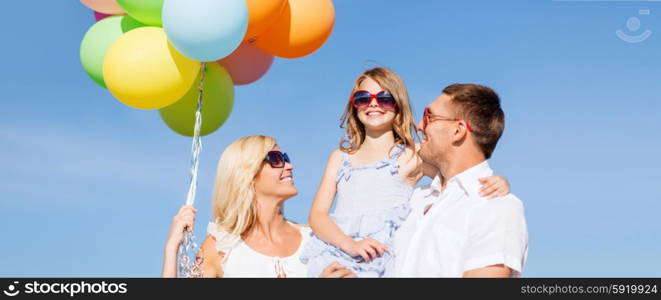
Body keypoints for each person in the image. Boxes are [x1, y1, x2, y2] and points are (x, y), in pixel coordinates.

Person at [300, 68, 511, 277]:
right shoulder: (340, 157)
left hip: (383, 257)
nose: (373, 103)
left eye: (384, 98)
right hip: (339, 251)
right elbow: (317, 215)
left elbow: (457, 176)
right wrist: (350, 245)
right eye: (363, 98)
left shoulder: (414, 154)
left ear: (398, 105)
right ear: (354, 106)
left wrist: (497, 181)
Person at [161, 135, 356, 278]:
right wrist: (172, 248)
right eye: (276, 160)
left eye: (286, 158)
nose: (290, 166)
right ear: (247, 174)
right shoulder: (221, 245)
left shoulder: (314, 239)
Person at [394, 83, 529, 277]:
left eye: (428, 117)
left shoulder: (496, 207)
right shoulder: (415, 198)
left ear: (458, 130)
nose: (419, 125)